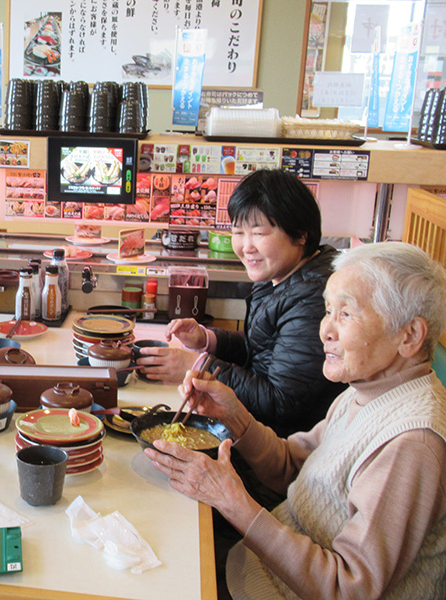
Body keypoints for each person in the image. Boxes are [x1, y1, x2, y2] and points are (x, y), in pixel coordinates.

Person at [146, 242, 446, 599]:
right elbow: (292, 466)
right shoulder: (363, 391)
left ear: (409, 336)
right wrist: (234, 416)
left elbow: (348, 588)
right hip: (258, 567)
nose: (325, 331)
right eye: (328, 311)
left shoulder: (412, 443)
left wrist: (231, 501)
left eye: (346, 315)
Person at [138, 169, 346, 438]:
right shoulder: (281, 273)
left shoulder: (317, 299)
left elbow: (282, 402)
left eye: (258, 233)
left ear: (301, 235)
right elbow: (261, 348)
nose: (246, 246)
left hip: (282, 449)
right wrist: (208, 340)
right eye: (238, 232)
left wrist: (199, 366)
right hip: (257, 430)